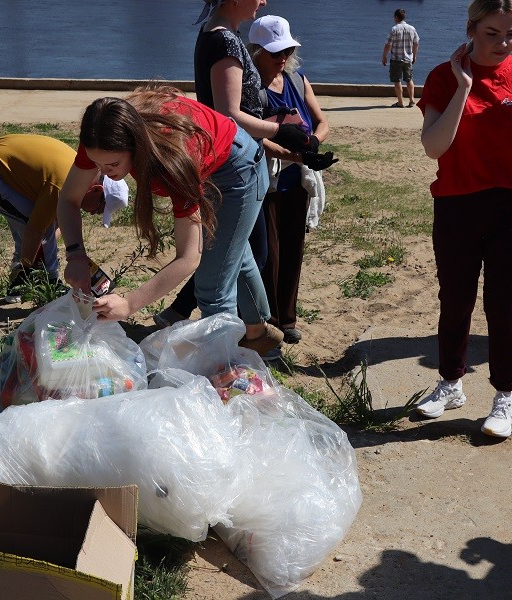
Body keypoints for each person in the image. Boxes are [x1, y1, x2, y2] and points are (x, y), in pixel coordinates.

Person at [415, 0, 512, 438]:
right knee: (456, 299)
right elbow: (433, 147)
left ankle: (504, 395)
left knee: (505, 306)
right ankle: (450, 383)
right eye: (492, 34)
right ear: (471, 28)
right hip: (457, 205)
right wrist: (464, 87)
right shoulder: (443, 77)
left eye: (511, 34)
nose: (503, 43)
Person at [58, 86, 289, 355]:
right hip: (210, 153)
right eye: (98, 165)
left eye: (112, 165)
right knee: (232, 252)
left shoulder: (172, 160)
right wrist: (75, 255)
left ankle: (226, 374)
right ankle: (260, 334)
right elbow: (68, 199)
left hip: (238, 171)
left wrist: (129, 304)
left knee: (212, 287)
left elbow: (189, 258)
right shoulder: (101, 138)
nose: (104, 173)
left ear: (136, 146)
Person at [153, 0, 318, 338]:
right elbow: (228, 115)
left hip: (226, 157)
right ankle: (229, 345)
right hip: (234, 163)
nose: (263, 1)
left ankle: (260, 332)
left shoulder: (216, 34)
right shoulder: (225, 40)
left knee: (243, 252)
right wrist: (279, 130)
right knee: (233, 267)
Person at [247, 15, 336, 344]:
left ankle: (288, 317)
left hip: (296, 180)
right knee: (270, 252)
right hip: (267, 182)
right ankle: (267, 316)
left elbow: (322, 122)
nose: (281, 57)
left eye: (286, 49)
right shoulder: (251, 88)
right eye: (274, 52)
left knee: (293, 248)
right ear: (256, 51)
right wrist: (294, 155)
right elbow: (254, 137)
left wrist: (313, 144)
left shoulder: (298, 81)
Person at [0, 134, 128, 303]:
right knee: (32, 224)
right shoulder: (62, 185)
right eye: (100, 208)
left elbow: (52, 226)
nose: (96, 213)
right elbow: (36, 231)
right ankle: (45, 281)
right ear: (97, 190)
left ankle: (23, 280)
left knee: (38, 227)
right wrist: (28, 265)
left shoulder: (77, 177)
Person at [382, 8, 420, 108]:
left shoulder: (394, 29)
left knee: (397, 80)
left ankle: (400, 102)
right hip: (408, 59)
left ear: (396, 17)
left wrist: (384, 56)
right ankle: (412, 100)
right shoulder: (412, 28)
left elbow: (387, 45)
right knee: (409, 79)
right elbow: (416, 43)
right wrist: (414, 55)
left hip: (396, 59)